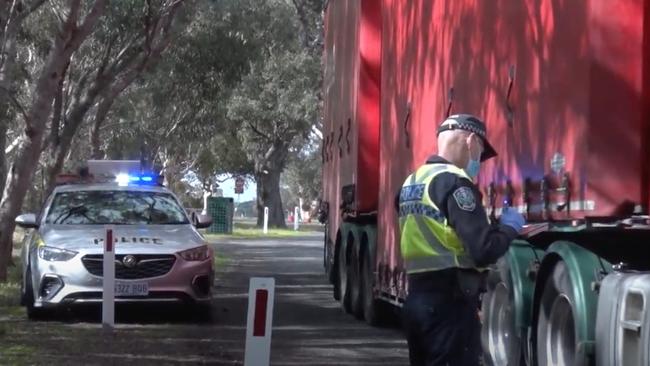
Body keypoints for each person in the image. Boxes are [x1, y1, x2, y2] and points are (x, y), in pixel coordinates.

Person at [397, 114, 525, 366]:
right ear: (470, 141)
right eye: (480, 152)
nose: (479, 161)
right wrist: (510, 228)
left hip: (417, 302)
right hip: (449, 306)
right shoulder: (455, 184)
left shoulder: (411, 183)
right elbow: (483, 250)